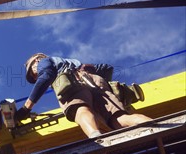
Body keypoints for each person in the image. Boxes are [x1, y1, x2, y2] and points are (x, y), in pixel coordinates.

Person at [15, 53, 152, 138]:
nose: (35, 75)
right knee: (117, 118)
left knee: (80, 110)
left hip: (72, 82)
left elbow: (46, 77)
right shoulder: (70, 61)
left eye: (33, 71)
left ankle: (97, 137)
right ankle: (153, 126)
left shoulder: (44, 62)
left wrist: (26, 108)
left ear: (37, 60)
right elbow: (105, 68)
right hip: (95, 80)